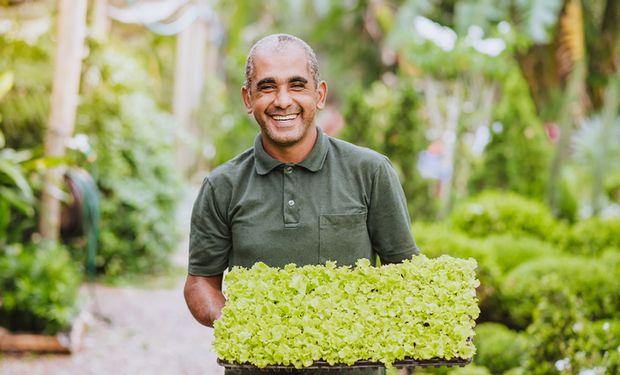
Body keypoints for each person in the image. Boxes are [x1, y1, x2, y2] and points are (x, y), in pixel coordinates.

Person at [184, 33, 419, 375]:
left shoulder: (370, 171)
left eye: (297, 85)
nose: (283, 100)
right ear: (248, 98)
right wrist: (239, 325)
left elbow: (404, 272)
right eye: (267, 87)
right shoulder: (222, 186)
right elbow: (200, 281)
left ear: (319, 94)